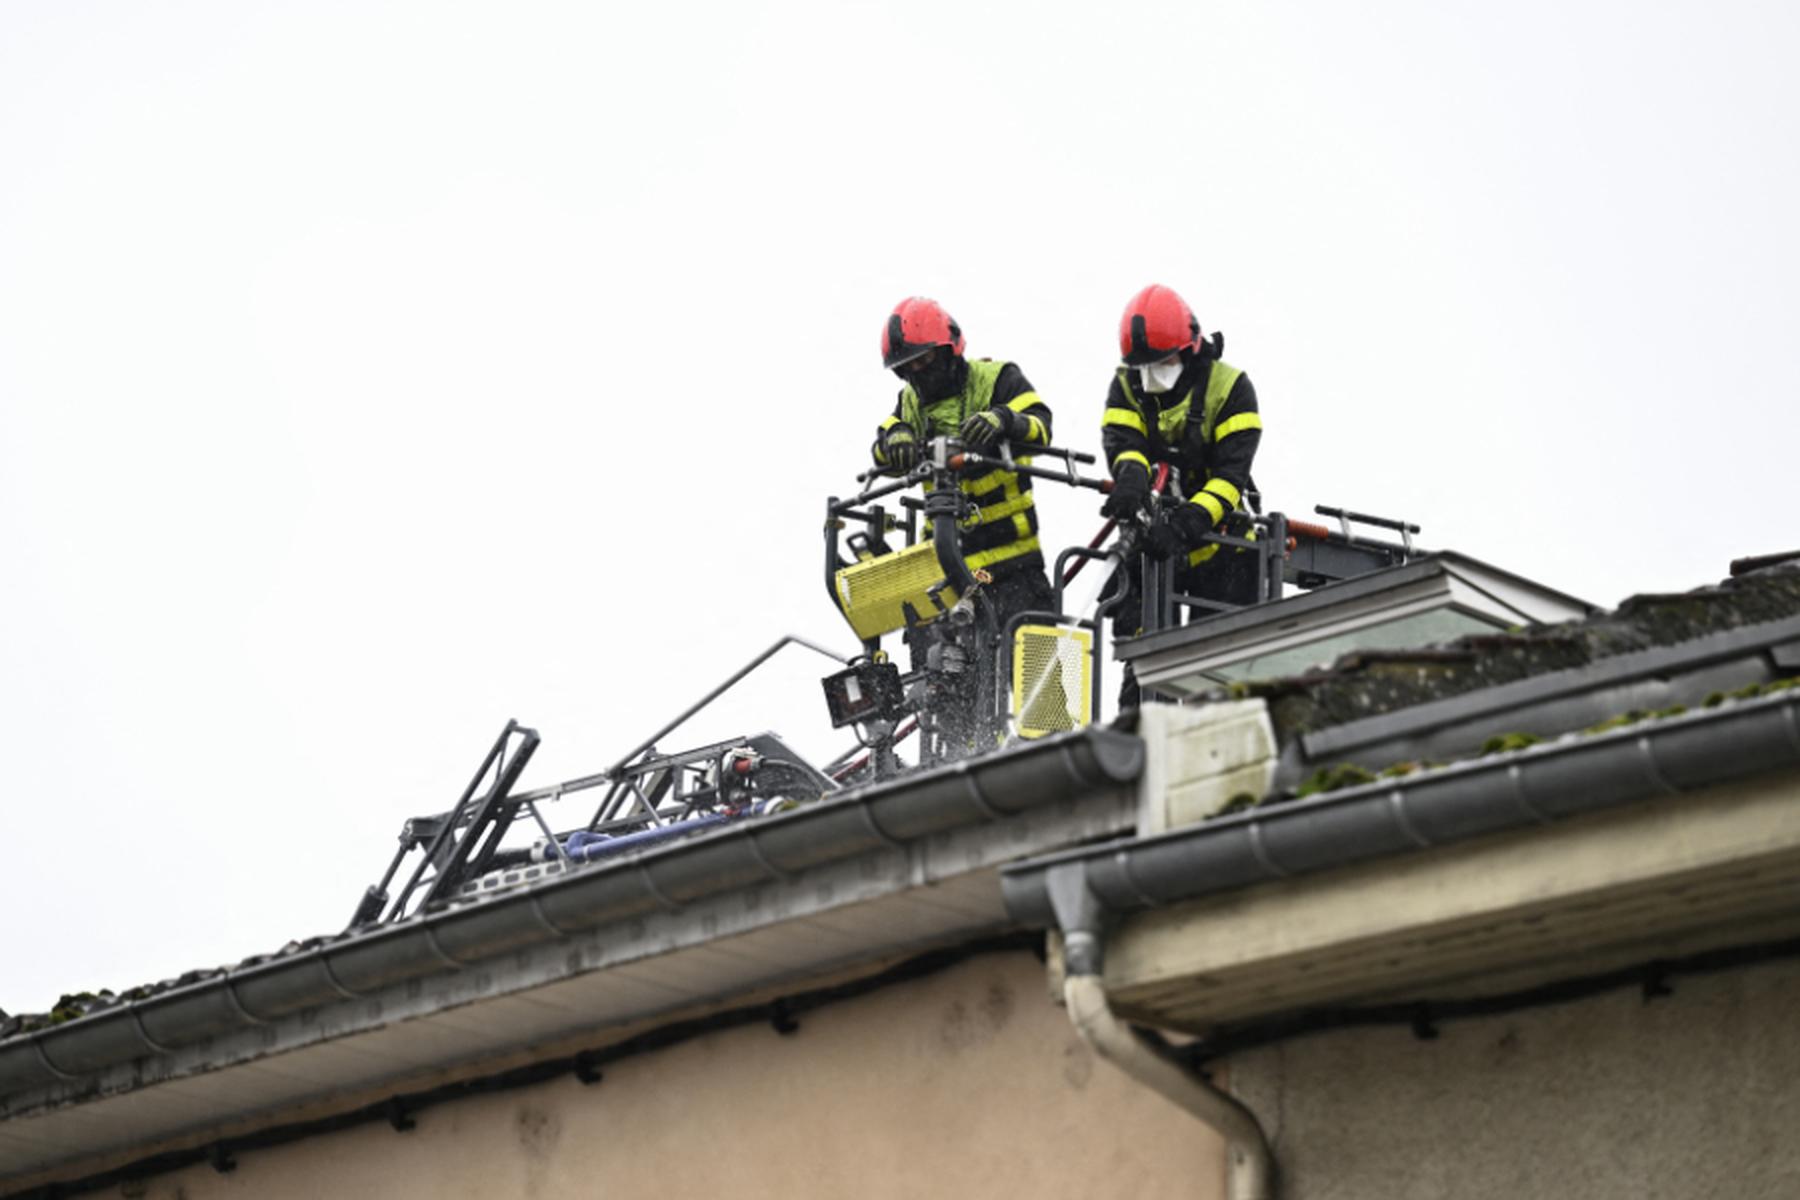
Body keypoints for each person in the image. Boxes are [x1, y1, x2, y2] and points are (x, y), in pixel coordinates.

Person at [1099, 284, 1264, 699]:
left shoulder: (1231, 388)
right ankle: (1138, 733)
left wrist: (1186, 523)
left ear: (1189, 349)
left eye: (1163, 362)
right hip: (1153, 547)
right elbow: (1125, 443)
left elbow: (1230, 476)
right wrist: (1130, 480)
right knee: (1144, 672)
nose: (1153, 374)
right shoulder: (1128, 384)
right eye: (1144, 366)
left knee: (1217, 674)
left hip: (1222, 548)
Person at [872, 296, 1058, 624]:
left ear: (949, 349)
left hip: (1013, 565)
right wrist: (896, 436)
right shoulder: (910, 403)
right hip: (944, 570)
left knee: (1032, 655)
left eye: (924, 359)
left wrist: (1004, 420)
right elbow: (880, 449)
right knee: (939, 655)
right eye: (909, 367)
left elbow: (1040, 428)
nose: (919, 372)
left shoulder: (997, 379)